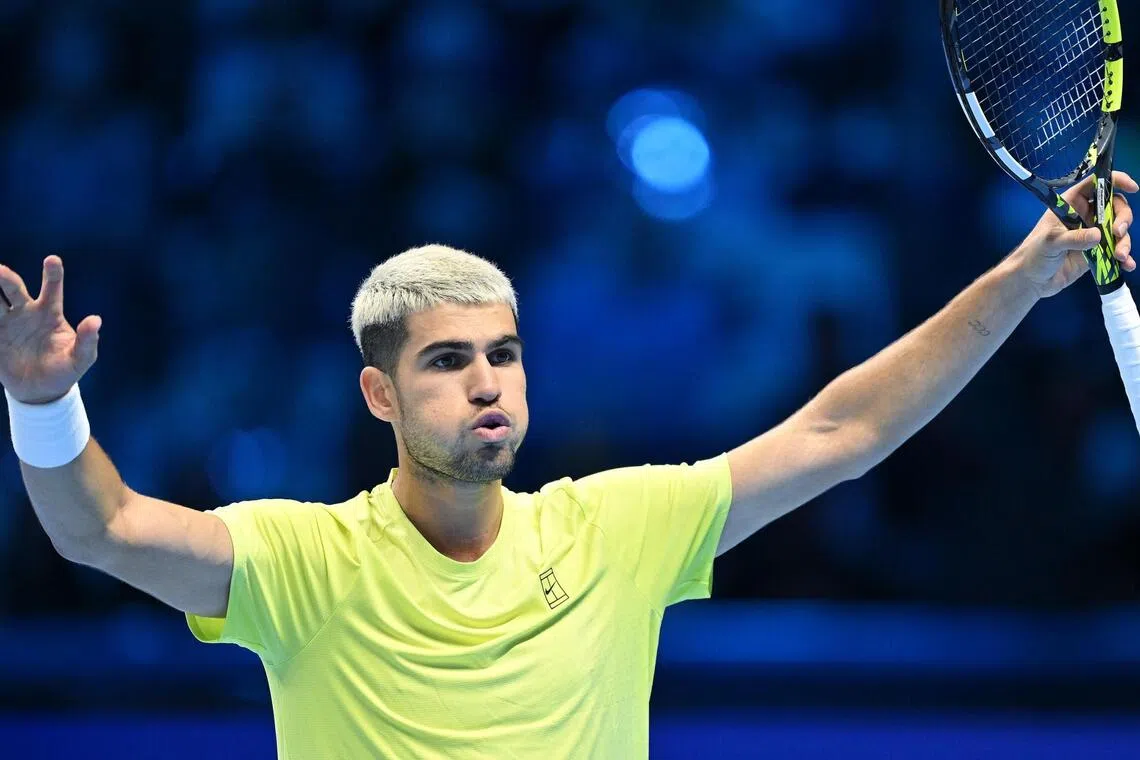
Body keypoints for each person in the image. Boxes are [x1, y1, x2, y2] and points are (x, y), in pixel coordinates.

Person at [1, 173, 1135, 758]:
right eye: (449, 361)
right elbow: (98, 528)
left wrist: (1021, 279)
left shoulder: (613, 528)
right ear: (380, 393)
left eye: (505, 353)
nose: (489, 382)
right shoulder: (300, 558)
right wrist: (44, 401)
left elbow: (843, 433)